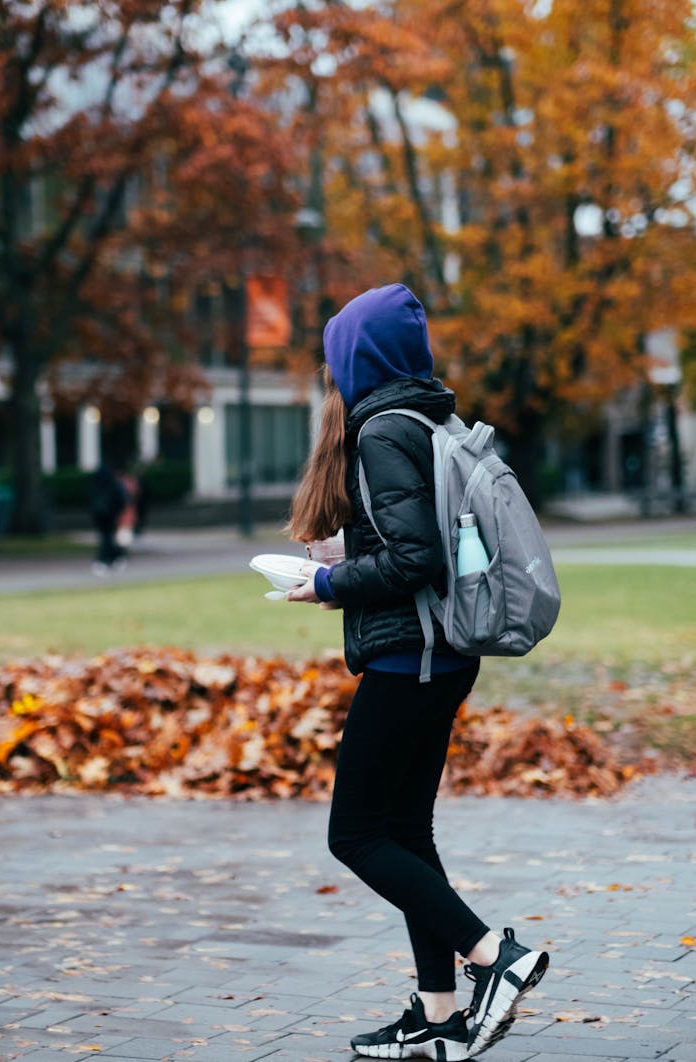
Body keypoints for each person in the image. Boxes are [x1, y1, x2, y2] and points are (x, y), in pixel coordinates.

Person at [286, 284, 548, 1060]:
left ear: (355, 360)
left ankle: (494, 958)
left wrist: (328, 582)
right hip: (441, 655)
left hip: (412, 659)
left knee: (356, 835)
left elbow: (415, 559)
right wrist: (348, 559)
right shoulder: (429, 418)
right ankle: (438, 1017)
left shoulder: (380, 431)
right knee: (405, 831)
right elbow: (415, 544)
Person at [89, 463, 126, 575]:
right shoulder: (112, 484)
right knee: (108, 537)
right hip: (110, 515)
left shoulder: (94, 485)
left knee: (106, 537)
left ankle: (110, 558)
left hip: (99, 516)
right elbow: (120, 499)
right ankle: (112, 558)